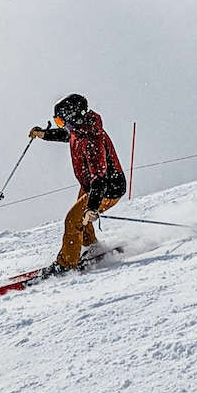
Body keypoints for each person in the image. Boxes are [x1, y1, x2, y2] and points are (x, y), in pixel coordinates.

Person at [29, 94, 127, 274]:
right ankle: (91, 246)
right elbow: (68, 135)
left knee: (73, 219)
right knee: (80, 216)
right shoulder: (80, 129)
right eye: (58, 122)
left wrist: (92, 208)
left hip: (107, 188)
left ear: (74, 117)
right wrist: (44, 134)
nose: (62, 125)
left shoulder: (92, 139)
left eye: (61, 121)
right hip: (92, 185)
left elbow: (100, 178)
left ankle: (66, 265)